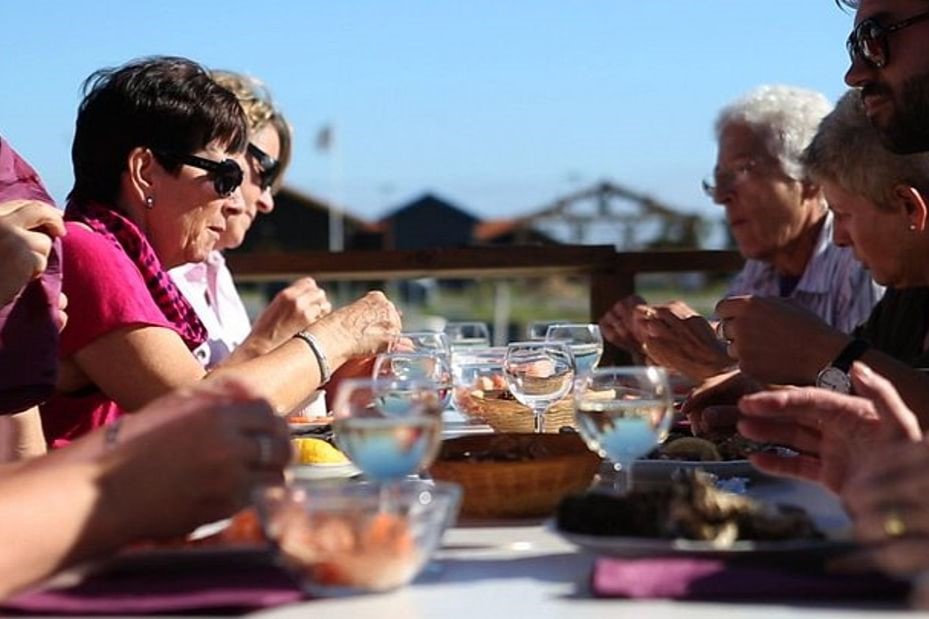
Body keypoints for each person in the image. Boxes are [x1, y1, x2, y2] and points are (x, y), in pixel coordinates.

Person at [41, 56, 400, 447]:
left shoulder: (119, 255)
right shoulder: (85, 249)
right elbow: (200, 415)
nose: (231, 201)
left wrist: (342, 368)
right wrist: (339, 336)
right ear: (145, 171)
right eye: (226, 177)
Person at [600, 85, 882, 382]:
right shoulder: (762, 269)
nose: (721, 196)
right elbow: (715, 363)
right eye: (719, 179)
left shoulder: (859, 260)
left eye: (742, 171)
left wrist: (718, 368)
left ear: (810, 177)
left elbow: (862, 395)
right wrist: (656, 343)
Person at [707, 90, 929, 418]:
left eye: (842, 214)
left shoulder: (884, 279)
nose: (838, 237)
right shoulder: (906, 297)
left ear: (910, 208)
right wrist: (759, 396)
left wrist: (821, 351)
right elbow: (860, 397)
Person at [169, 70, 331, 373]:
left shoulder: (213, 267)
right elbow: (189, 405)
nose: (267, 201)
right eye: (265, 172)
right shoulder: (153, 267)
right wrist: (273, 340)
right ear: (226, 148)